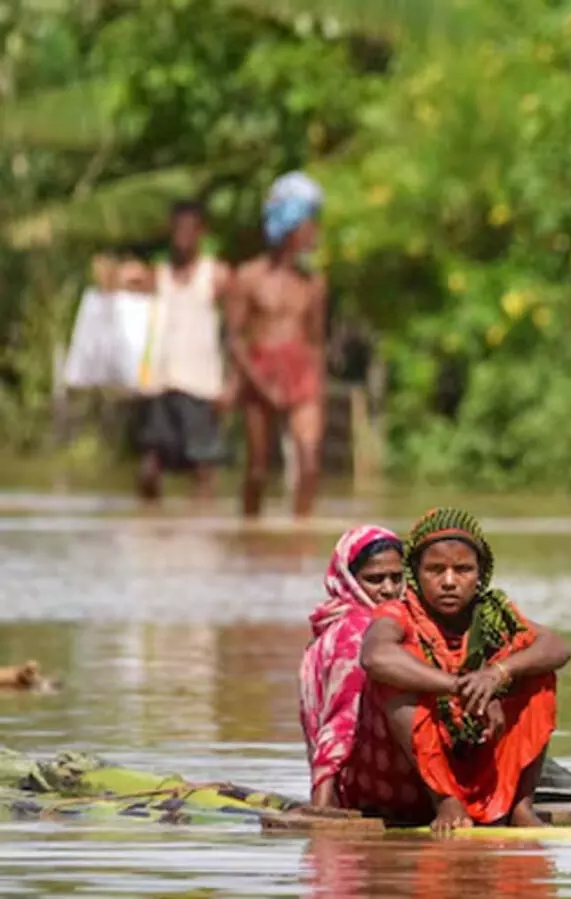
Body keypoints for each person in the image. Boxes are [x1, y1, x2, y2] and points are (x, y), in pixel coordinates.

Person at [350, 507, 571, 832]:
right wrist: (461, 688)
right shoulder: (398, 613)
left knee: (537, 672)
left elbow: (556, 646)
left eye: (463, 570)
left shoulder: (493, 614)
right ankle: (446, 801)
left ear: (481, 574)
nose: (450, 582)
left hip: (471, 757)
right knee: (398, 678)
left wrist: (497, 675)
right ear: (415, 573)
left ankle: (520, 806)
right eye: (435, 570)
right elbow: (376, 657)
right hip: (404, 783)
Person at [226, 171, 329, 519]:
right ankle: (250, 534)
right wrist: (255, 382)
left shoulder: (314, 284)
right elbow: (235, 338)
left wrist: (316, 387)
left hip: (301, 373)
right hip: (260, 372)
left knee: (309, 463)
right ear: (290, 226)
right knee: (257, 469)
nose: (314, 232)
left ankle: (300, 539)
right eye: (309, 223)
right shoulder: (248, 277)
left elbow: (315, 339)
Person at [132, 201, 234, 504]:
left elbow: (235, 331)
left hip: (202, 385)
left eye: (189, 230)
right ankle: (151, 530)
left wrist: (231, 382)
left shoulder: (215, 275)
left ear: (201, 233)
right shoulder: (158, 275)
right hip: (160, 383)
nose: (182, 237)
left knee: (203, 466)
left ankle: (200, 534)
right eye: (177, 230)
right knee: (149, 467)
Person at [298, 524, 406, 808]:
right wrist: (322, 806)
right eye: (375, 579)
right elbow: (341, 723)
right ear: (349, 579)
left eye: (396, 578)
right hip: (366, 787)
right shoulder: (359, 632)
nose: (389, 590)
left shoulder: (333, 621)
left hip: (351, 783)